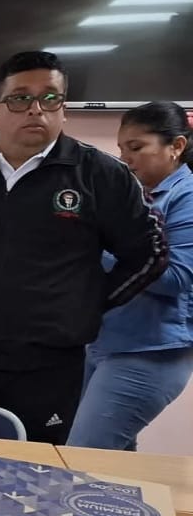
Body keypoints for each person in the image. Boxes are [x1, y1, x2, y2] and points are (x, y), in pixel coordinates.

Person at [0, 50, 167, 444]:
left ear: (64, 109)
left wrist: (87, 303)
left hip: (47, 369)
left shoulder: (101, 175)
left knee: (36, 476)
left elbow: (148, 254)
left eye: (50, 98)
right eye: (20, 98)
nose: (36, 109)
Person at [69, 102, 193, 450]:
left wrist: (97, 248)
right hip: (104, 343)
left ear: (176, 146)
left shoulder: (186, 196)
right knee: (111, 463)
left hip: (150, 352)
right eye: (122, 149)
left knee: (80, 458)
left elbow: (176, 277)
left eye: (136, 148)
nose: (125, 159)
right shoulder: (132, 195)